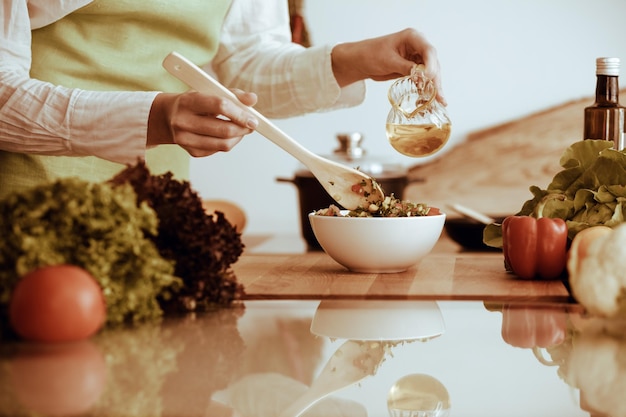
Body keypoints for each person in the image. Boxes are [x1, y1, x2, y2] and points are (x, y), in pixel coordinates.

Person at [0, 0, 445, 199]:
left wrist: (353, 60)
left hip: (157, 208)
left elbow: (245, 64)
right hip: (38, 207)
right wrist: (152, 119)